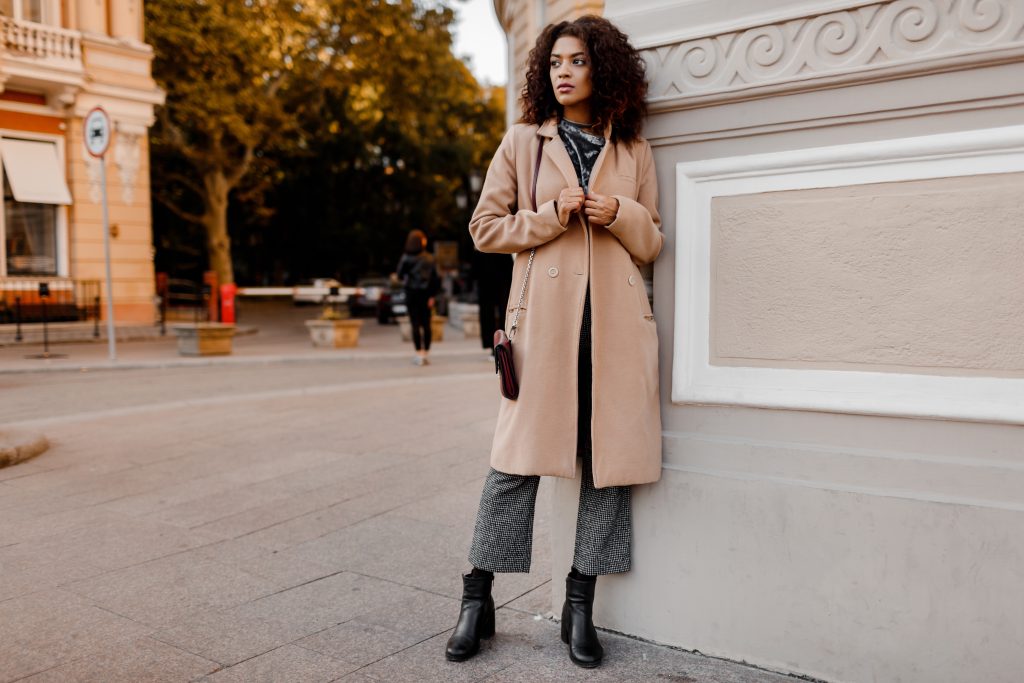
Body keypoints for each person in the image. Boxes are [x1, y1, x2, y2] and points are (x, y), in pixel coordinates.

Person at [447, 15, 663, 668]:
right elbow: (484, 228)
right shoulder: (524, 142)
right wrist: (551, 216)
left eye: (577, 61)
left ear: (603, 69)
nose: (562, 72)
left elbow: (652, 241)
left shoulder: (633, 148)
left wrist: (618, 213)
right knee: (512, 461)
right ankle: (476, 595)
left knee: (609, 465)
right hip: (541, 326)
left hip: (617, 330)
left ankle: (580, 603)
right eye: (554, 63)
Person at [396, 229, 439, 365]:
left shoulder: (406, 258)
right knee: (426, 324)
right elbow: (435, 278)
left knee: (415, 323)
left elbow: (399, 275)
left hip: (411, 294)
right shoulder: (430, 258)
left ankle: (418, 353)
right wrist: (432, 295)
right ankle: (425, 353)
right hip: (426, 294)